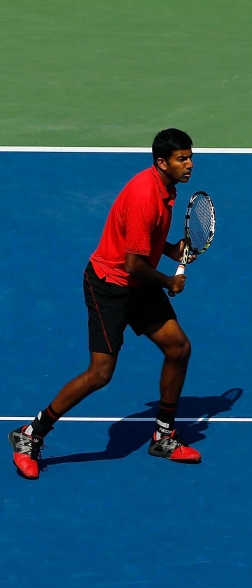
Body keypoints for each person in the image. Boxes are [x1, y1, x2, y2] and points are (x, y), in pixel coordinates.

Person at [9, 128, 202, 480]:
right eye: (182, 159)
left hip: (138, 284)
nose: (189, 164)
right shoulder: (145, 197)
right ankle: (31, 434)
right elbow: (132, 264)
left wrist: (171, 250)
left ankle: (163, 436)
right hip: (110, 287)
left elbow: (142, 241)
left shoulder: (164, 187)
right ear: (162, 162)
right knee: (100, 374)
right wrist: (169, 281)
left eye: (190, 157)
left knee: (178, 349)